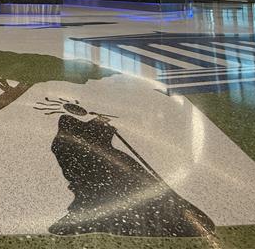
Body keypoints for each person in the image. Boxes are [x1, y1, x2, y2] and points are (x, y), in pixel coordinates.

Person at [43, 100, 215, 238]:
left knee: (120, 179)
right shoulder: (67, 132)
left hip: (108, 163)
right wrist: (99, 124)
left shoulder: (72, 136)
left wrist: (100, 125)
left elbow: (92, 138)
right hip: (97, 160)